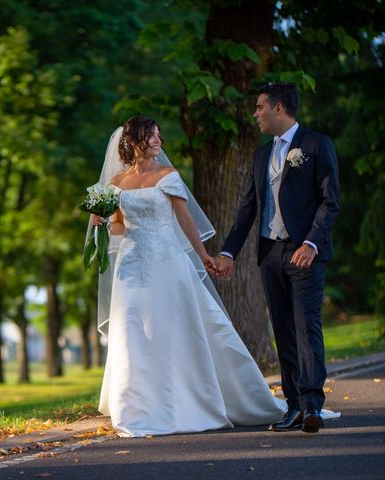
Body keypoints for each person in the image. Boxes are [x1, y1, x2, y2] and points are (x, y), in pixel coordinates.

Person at [88, 116, 286, 438]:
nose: (158, 142)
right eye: (152, 137)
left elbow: (185, 220)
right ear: (135, 140)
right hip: (132, 266)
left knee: (177, 328)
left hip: (167, 261)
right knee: (133, 332)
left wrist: (205, 256)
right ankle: (136, 408)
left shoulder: (168, 175)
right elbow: (121, 227)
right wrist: (104, 221)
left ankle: (190, 401)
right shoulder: (117, 183)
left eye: (159, 137)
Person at [216, 82, 340, 433]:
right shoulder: (260, 155)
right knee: (284, 331)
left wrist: (312, 244)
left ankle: (313, 404)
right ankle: (294, 406)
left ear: (279, 108)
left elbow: (330, 202)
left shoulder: (317, 145)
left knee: (306, 326)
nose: (255, 114)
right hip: (270, 253)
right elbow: (248, 208)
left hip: (305, 254)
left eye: (259, 107)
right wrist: (229, 251)